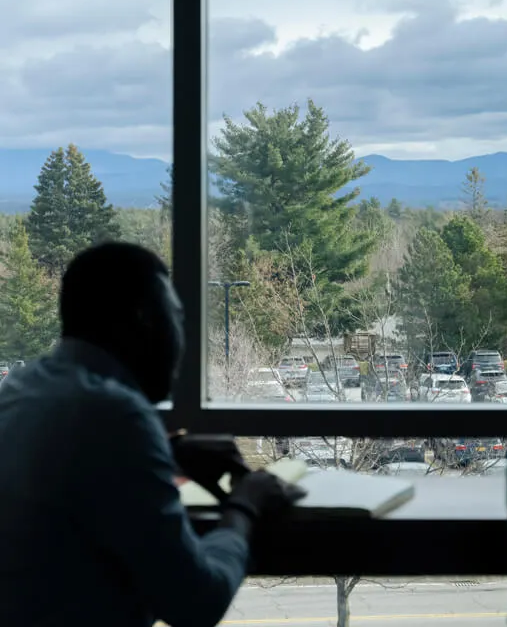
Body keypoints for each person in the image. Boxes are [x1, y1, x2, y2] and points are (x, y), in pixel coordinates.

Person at [0, 242, 304, 627]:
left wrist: (167, 450)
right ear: (145, 319)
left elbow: (64, 473)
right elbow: (196, 601)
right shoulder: (115, 416)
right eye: (177, 317)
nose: (182, 338)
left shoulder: (24, 387)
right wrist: (245, 506)